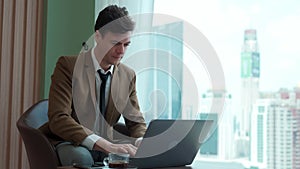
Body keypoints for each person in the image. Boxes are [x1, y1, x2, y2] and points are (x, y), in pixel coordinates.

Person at [39, 5, 147, 166]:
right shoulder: (68, 66)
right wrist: (104, 145)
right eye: (115, 43)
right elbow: (59, 118)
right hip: (71, 141)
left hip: (108, 144)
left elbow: (135, 121)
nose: (121, 51)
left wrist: (141, 142)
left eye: (126, 45)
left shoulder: (127, 75)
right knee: (82, 158)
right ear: (98, 36)